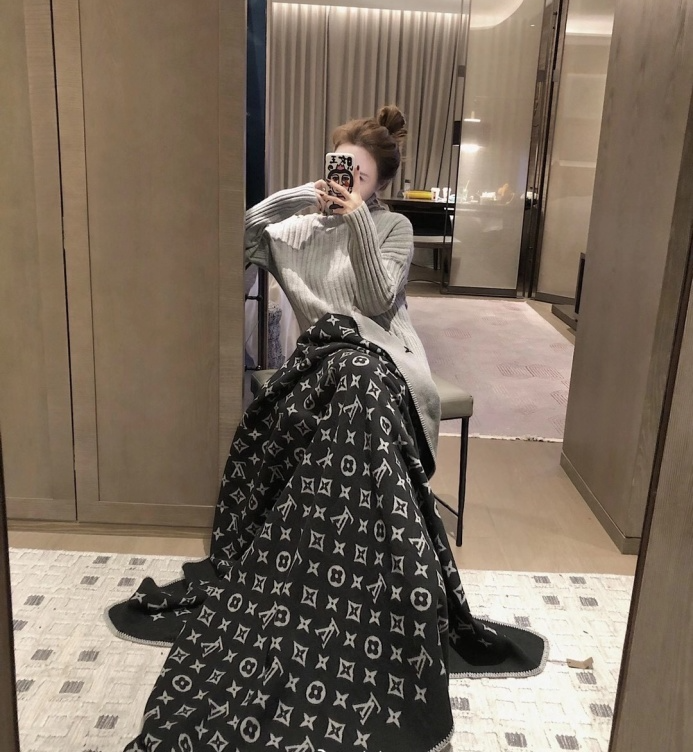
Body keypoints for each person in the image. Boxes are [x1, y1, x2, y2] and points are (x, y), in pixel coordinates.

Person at [108, 106, 546, 752]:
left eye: (360, 177)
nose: (345, 184)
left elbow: (375, 301)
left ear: (379, 184)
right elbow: (232, 244)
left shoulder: (391, 227)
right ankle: (334, 564)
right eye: (339, 169)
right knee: (345, 381)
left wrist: (359, 219)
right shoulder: (294, 228)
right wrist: (296, 199)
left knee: (358, 380)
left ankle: (367, 577)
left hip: (381, 363)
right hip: (318, 371)